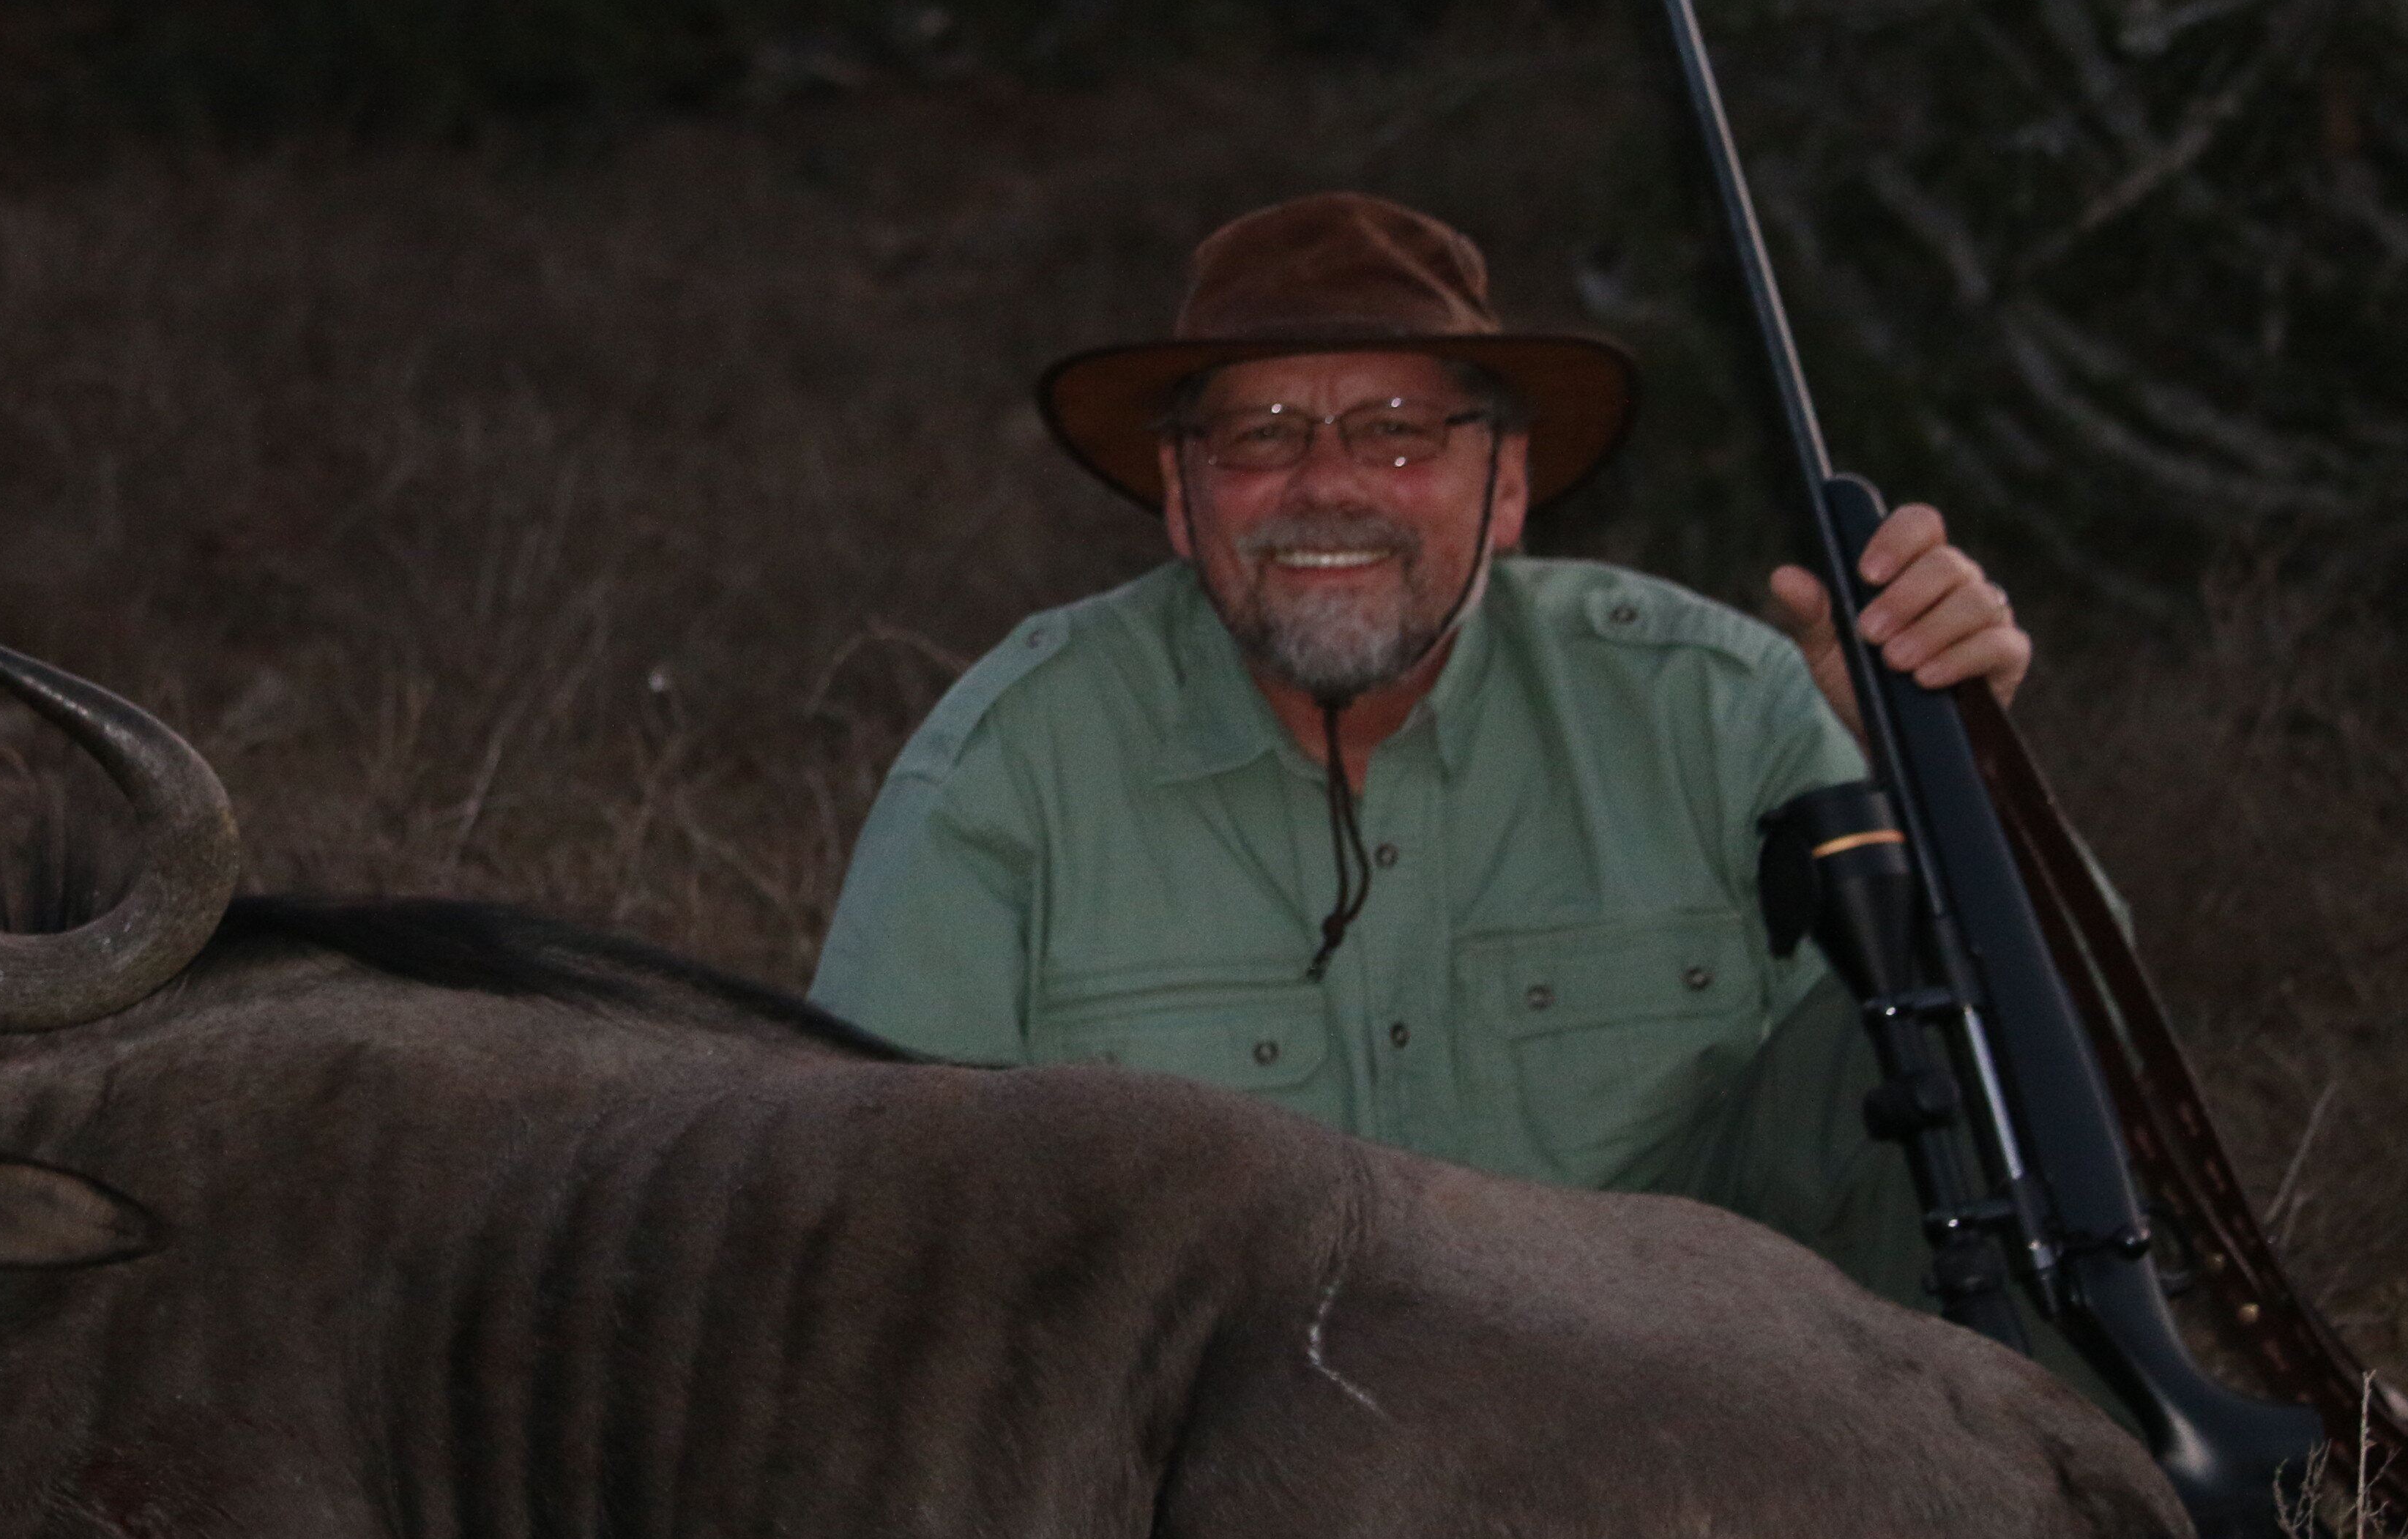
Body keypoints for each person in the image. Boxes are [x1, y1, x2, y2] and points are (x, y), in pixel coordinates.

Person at [809, 192, 2031, 1308]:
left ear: (1504, 486)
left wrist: (1954, 783)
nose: (1328, 484)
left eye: (1398, 433)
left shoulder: (1716, 704)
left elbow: (2049, 1054)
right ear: (1181, 495)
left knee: (1971, 1053)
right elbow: (856, 1220)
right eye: (1261, 434)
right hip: (1217, 1484)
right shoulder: (1012, 762)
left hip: (1687, 1436)